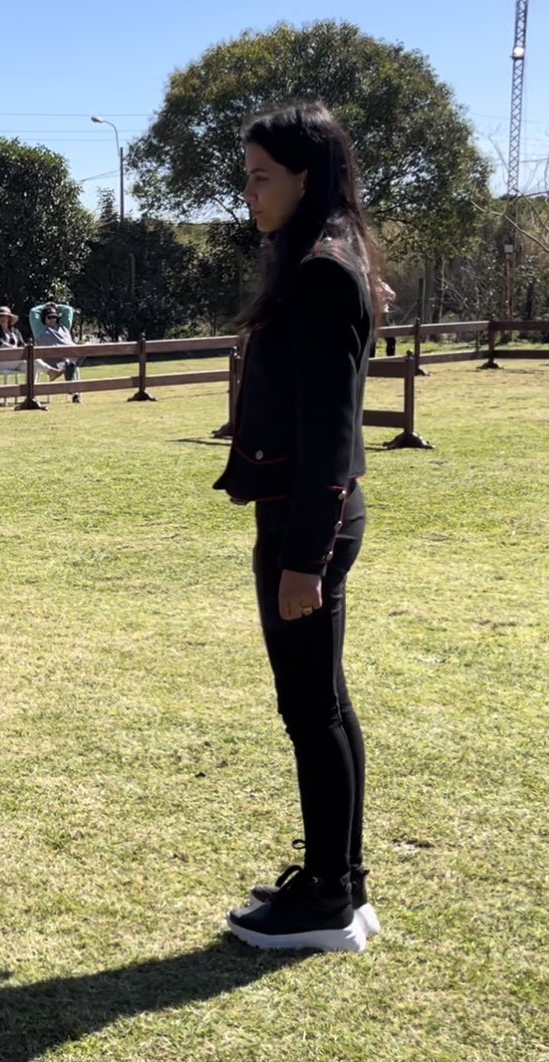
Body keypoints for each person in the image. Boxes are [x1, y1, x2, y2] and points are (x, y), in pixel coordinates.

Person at [214, 102, 381, 953]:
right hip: (308, 512)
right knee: (323, 705)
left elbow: (330, 430)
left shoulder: (320, 269)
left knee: (308, 708)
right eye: (245, 175)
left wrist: (302, 561)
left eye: (260, 176)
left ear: (304, 178)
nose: (247, 192)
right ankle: (338, 880)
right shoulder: (325, 255)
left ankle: (324, 901)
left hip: (306, 520)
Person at [28, 302, 81, 401]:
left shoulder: (64, 327)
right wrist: (45, 306)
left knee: (83, 352)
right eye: (49, 317)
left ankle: (67, 370)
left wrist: (56, 306)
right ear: (44, 318)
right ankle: (73, 390)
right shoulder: (40, 330)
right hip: (51, 358)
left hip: (71, 355)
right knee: (70, 363)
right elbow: (33, 312)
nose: (53, 320)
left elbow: (69, 310)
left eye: (55, 317)